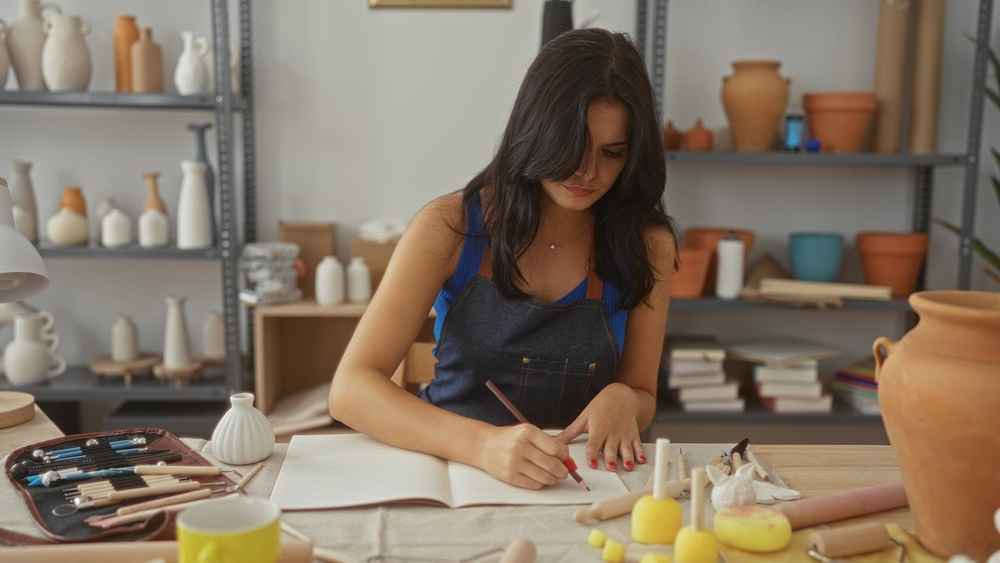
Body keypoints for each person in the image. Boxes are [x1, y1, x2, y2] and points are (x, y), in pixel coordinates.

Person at [330, 28, 675, 490]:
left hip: (577, 486)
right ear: (535, 132)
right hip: (452, 473)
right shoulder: (449, 227)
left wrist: (625, 399)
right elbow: (351, 390)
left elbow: (643, 393)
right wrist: (482, 445)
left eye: (612, 153)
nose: (588, 171)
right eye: (571, 146)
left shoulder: (647, 245)